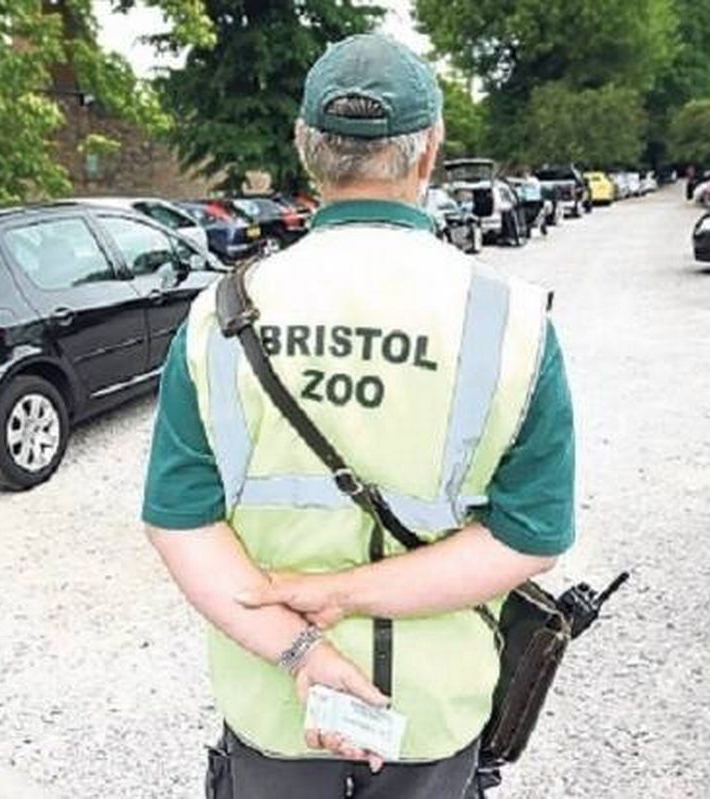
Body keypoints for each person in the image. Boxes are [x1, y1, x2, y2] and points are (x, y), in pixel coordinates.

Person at [142, 33, 576, 799]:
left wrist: (305, 650)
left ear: (309, 150)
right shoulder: (510, 319)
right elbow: (530, 533)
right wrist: (348, 593)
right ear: (429, 150)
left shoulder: (219, 315)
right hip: (433, 714)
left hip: (275, 709)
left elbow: (181, 521)